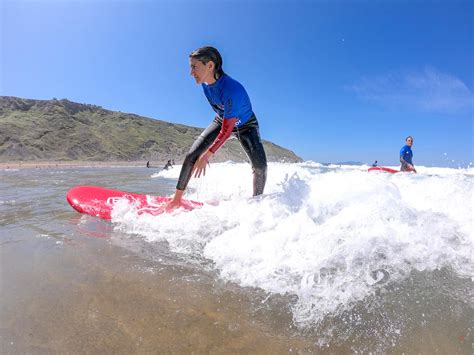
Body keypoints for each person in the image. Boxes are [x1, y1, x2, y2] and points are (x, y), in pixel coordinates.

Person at [167, 46, 267, 209]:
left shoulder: (232, 90)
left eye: (194, 67)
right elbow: (223, 119)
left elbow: (227, 131)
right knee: (192, 154)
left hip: (246, 125)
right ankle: (176, 200)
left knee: (260, 167)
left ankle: (257, 203)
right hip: (222, 119)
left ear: (210, 66)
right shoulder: (205, 84)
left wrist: (207, 154)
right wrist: (202, 154)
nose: (191, 72)